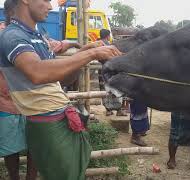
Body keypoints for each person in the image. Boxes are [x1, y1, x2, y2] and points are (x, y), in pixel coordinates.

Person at [0, 0, 121, 180]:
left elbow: (61, 76)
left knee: (71, 170)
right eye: (46, 0)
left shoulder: (37, 35)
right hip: (47, 121)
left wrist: (85, 54)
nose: (50, 6)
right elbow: (37, 72)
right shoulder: (12, 36)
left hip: (58, 116)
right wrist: (91, 53)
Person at [0, 1, 37, 179]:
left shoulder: (30, 34)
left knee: (35, 145)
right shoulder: (5, 35)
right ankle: (14, 177)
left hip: (31, 101)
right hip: (7, 102)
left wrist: (77, 46)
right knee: (10, 148)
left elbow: (52, 46)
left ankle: (29, 177)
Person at [98, 28, 127, 116]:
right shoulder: (110, 46)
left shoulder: (98, 45)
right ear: (107, 36)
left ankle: (108, 110)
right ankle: (119, 110)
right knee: (116, 88)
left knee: (105, 89)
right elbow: (117, 57)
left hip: (102, 69)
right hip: (112, 70)